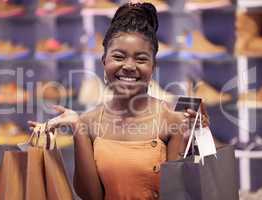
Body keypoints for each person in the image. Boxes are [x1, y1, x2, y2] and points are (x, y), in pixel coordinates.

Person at [29, 2, 210, 200]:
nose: (129, 66)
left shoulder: (172, 120)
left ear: (153, 67)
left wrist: (195, 142)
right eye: (119, 57)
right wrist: (79, 129)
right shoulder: (89, 122)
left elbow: (177, 194)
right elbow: (92, 196)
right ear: (104, 61)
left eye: (141, 59)